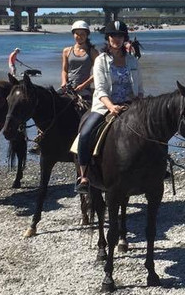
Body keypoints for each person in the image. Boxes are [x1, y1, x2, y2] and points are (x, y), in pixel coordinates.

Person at [75, 21, 144, 192]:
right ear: (108, 38)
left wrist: (138, 102)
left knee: (153, 127)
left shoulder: (132, 60)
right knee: (85, 133)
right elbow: (99, 90)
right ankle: (83, 176)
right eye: (113, 35)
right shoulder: (100, 60)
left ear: (124, 38)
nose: (117, 39)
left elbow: (139, 88)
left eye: (120, 35)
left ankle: (156, 167)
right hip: (105, 106)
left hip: (131, 104)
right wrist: (112, 107)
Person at [61, 20, 99, 104]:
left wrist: (83, 85)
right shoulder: (67, 51)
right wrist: (64, 81)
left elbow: (97, 73)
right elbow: (64, 70)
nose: (79, 36)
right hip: (68, 88)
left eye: (82, 34)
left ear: (87, 35)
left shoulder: (93, 52)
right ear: (73, 34)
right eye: (77, 34)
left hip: (84, 90)